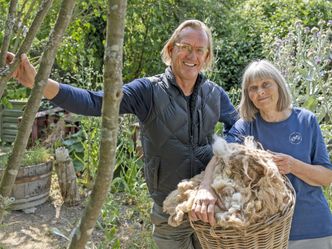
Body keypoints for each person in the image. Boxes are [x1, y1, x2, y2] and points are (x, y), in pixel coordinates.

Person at [8, 20, 238, 249]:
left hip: (208, 204)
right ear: (171, 49)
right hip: (169, 207)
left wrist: (221, 156)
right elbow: (95, 101)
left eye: (200, 50)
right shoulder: (148, 90)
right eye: (185, 46)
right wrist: (41, 84)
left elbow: (238, 126)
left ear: (206, 57)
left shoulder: (215, 94)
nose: (192, 55)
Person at [191, 59, 332, 249]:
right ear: (248, 95)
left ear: (279, 85)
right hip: (267, 233)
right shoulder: (245, 126)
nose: (260, 92)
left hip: (312, 229)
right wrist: (205, 187)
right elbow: (219, 156)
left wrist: (293, 165)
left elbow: (325, 177)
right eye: (253, 88)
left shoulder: (306, 120)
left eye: (266, 84)